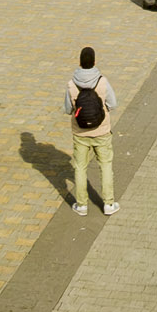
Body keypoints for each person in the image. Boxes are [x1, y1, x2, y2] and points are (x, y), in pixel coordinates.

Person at [64, 46, 120, 216]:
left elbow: (68, 109)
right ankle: (108, 203)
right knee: (105, 165)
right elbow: (113, 103)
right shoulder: (102, 81)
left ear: (80, 63)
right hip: (102, 131)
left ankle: (81, 205)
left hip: (80, 133)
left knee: (80, 167)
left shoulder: (71, 84)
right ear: (94, 62)